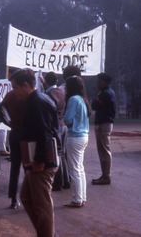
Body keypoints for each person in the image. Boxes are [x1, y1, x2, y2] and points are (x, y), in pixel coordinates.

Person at [10, 68, 59, 236]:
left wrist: (40, 160)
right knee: (27, 197)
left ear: (25, 85)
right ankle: (45, 232)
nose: (14, 93)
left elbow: (45, 134)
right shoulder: (36, 100)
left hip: (42, 162)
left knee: (41, 205)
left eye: (15, 88)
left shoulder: (37, 102)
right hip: (35, 160)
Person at [63, 75, 91, 208]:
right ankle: (81, 197)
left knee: (74, 169)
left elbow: (67, 118)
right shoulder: (82, 99)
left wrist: (69, 123)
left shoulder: (73, 99)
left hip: (75, 135)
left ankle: (77, 199)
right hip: (84, 135)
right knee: (80, 169)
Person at [0, 89, 26, 209]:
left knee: (15, 167)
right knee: (29, 168)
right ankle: (29, 197)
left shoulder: (10, 95)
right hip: (27, 134)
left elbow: (0, 111)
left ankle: (14, 199)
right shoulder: (28, 95)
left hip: (15, 132)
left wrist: (9, 124)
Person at [44, 72, 70, 191]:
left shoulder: (48, 94)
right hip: (63, 124)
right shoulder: (62, 92)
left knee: (56, 154)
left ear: (46, 81)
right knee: (62, 154)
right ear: (57, 81)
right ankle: (66, 180)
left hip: (55, 127)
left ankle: (58, 182)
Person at [91, 73, 116, 185]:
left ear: (105, 82)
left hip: (104, 123)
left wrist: (95, 101)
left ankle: (106, 176)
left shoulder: (105, 94)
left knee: (104, 150)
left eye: (99, 81)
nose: (97, 83)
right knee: (102, 150)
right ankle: (104, 175)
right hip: (103, 122)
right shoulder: (106, 92)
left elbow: (94, 105)